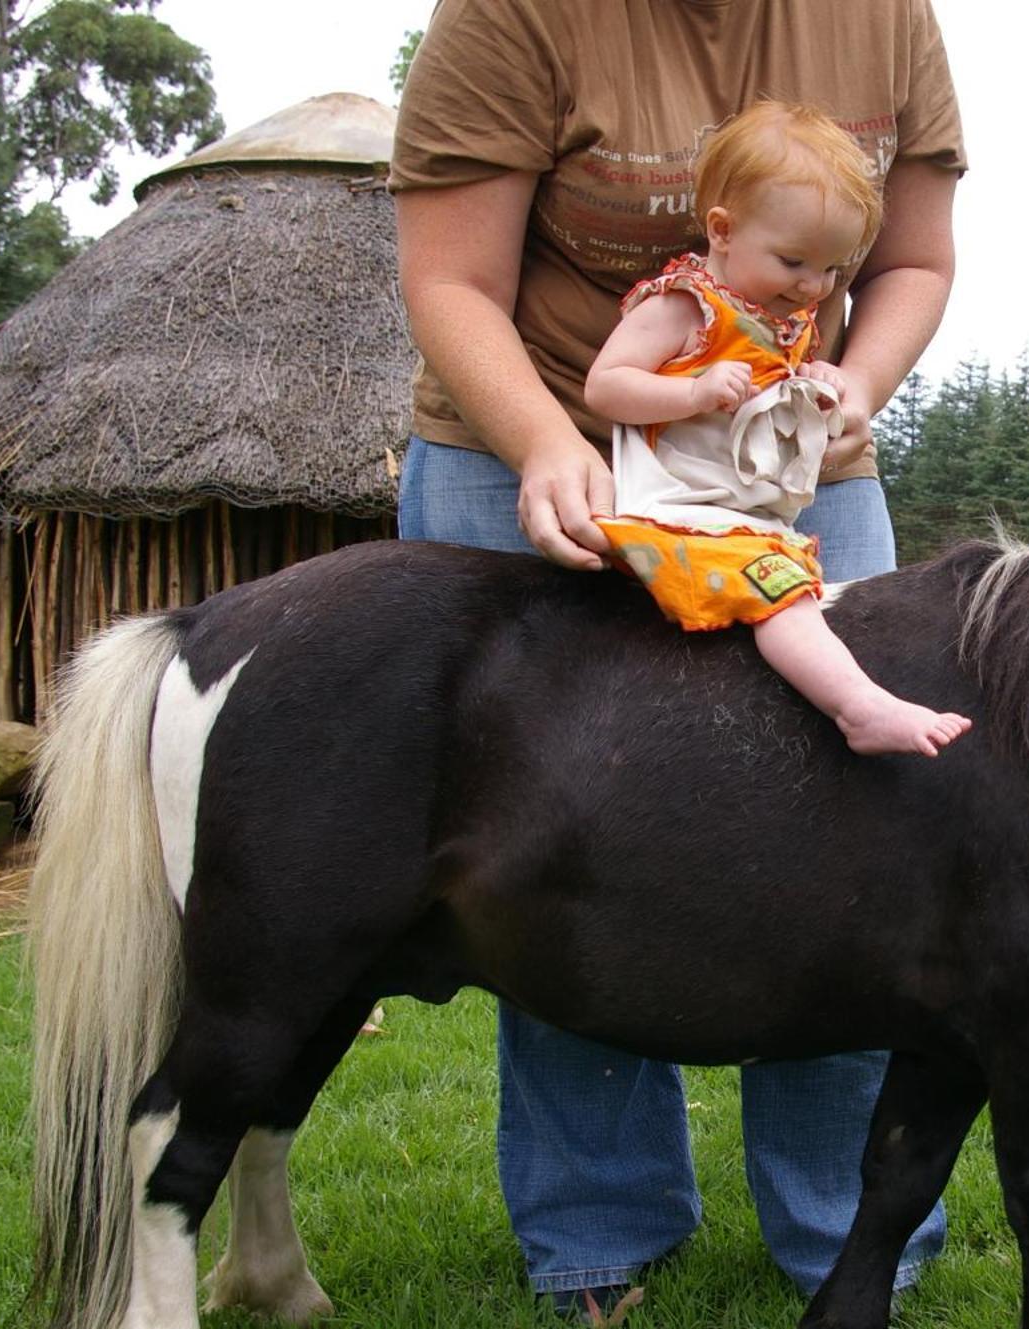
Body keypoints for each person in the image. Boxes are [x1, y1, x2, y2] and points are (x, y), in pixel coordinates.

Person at [388, 0, 965, 1315]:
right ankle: (601, 1228)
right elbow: (451, 277)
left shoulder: (889, 17)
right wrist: (549, 443)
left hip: (788, 475)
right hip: (540, 439)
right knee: (556, 837)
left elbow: (917, 262)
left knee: (851, 833)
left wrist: (856, 385)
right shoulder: (513, 15)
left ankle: (849, 1230)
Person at [586, 102, 971, 757]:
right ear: (723, 229)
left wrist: (822, 392)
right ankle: (859, 708)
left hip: (749, 513)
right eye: (795, 261)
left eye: (831, 269)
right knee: (783, 601)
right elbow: (606, 387)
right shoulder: (686, 306)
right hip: (682, 511)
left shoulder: (780, 318)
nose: (813, 285)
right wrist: (692, 391)